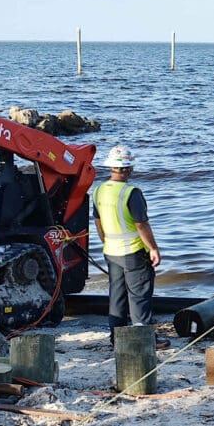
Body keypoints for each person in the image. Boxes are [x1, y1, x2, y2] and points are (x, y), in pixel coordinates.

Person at [92, 145, 164, 344]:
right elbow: (141, 224)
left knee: (117, 294)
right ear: (130, 168)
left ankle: (117, 337)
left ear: (110, 167)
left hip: (111, 251)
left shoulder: (98, 191)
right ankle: (144, 339)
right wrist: (153, 248)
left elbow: (98, 222)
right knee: (139, 295)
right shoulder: (131, 192)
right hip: (133, 251)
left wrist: (106, 242)